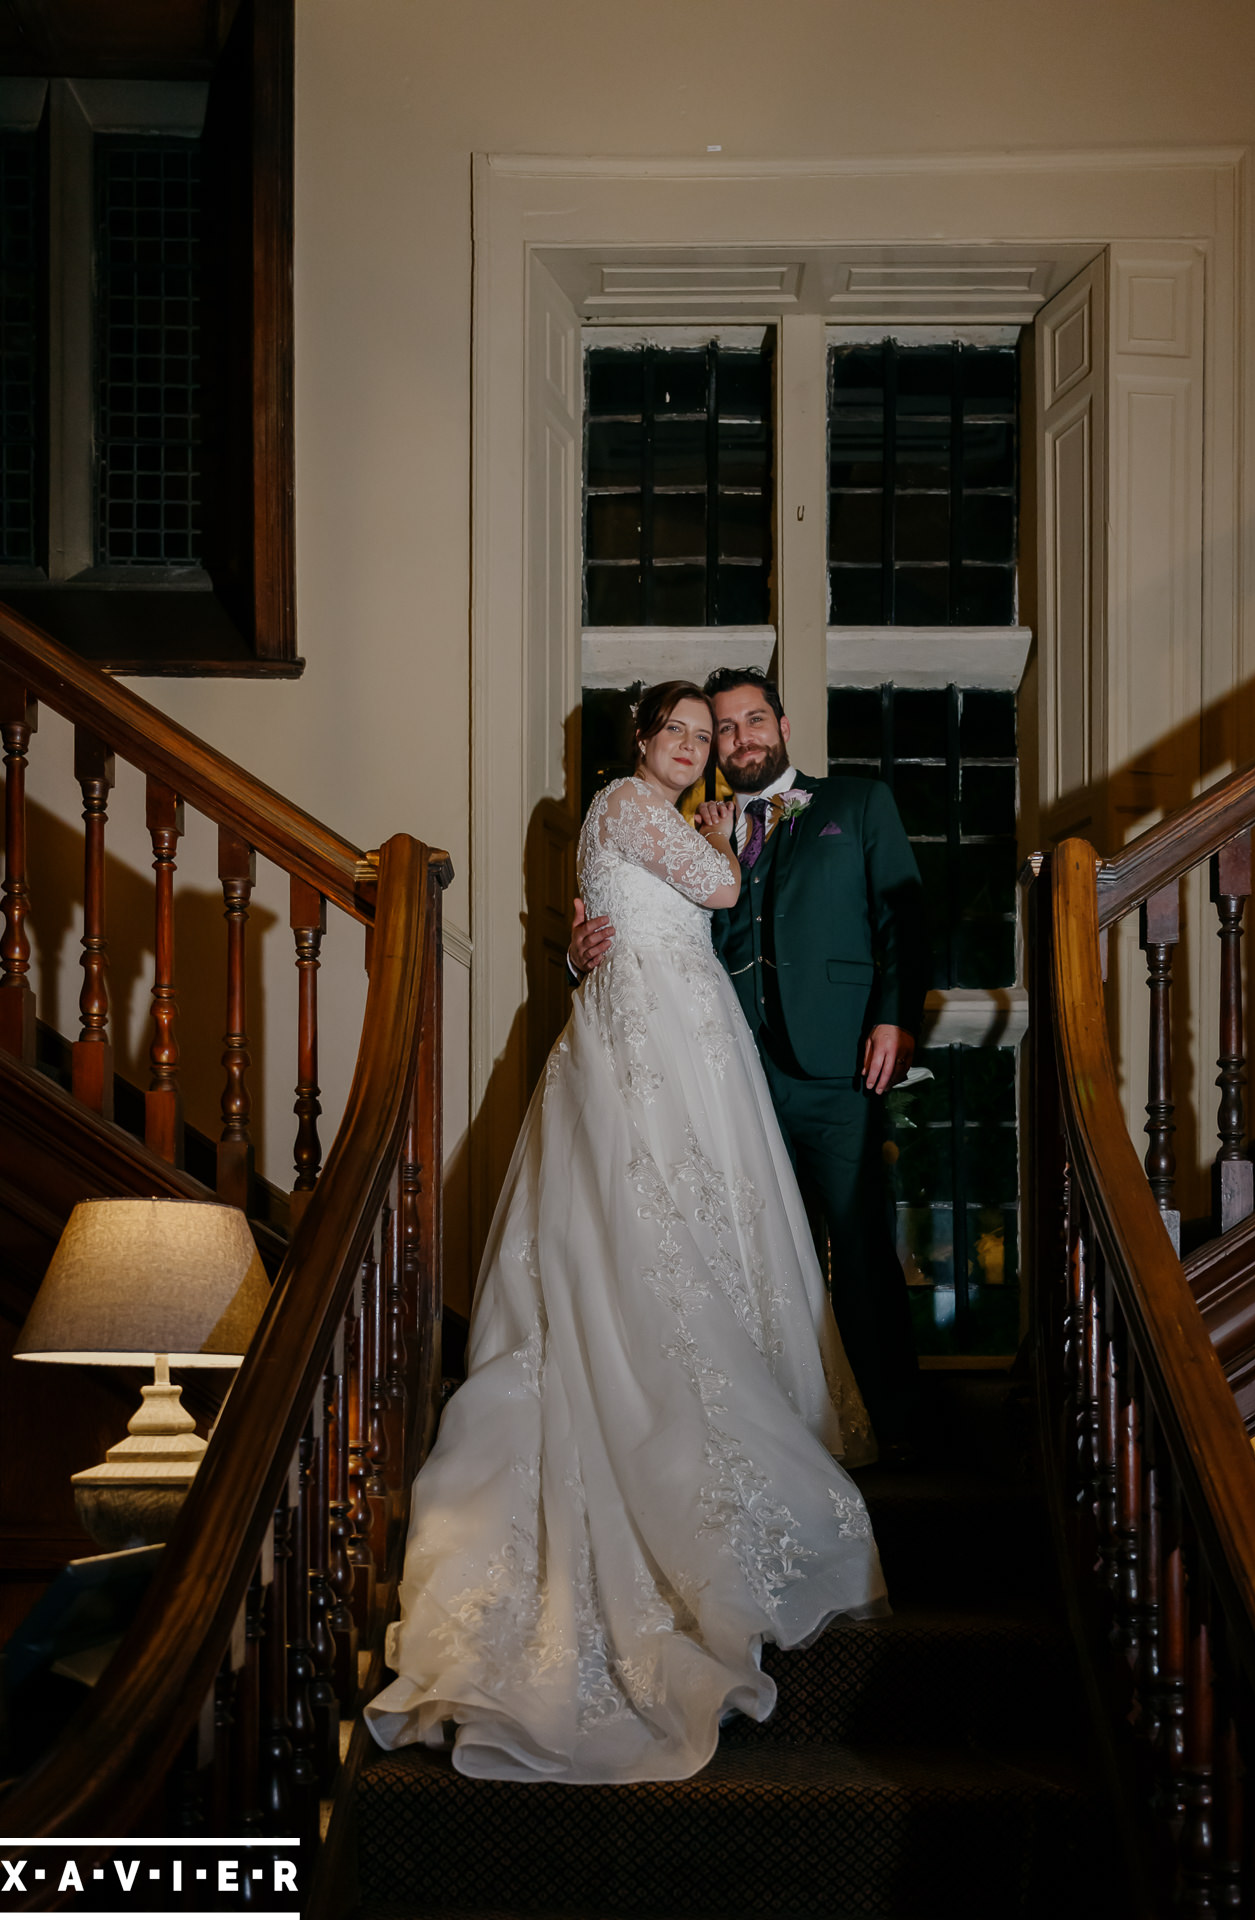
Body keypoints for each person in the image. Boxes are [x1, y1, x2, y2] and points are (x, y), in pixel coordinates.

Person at [367, 681, 886, 1785]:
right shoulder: (626, 803)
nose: (698, 748)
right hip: (651, 1027)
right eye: (682, 734)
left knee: (704, 1216)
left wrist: (593, 940)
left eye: (711, 736)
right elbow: (718, 881)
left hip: (687, 1025)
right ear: (643, 742)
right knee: (647, 1217)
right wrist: (710, 837)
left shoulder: (648, 816)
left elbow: (638, 911)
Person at [570, 668, 926, 1457]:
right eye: (717, 730)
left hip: (838, 1067)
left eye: (748, 722)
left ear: (784, 725)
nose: (735, 741)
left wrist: (895, 1016)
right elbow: (653, 927)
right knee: (754, 1260)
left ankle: (897, 1437)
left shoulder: (855, 806)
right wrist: (578, 958)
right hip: (731, 1075)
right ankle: (775, 1434)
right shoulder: (688, 824)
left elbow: (903, 914)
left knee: (861, 1251)